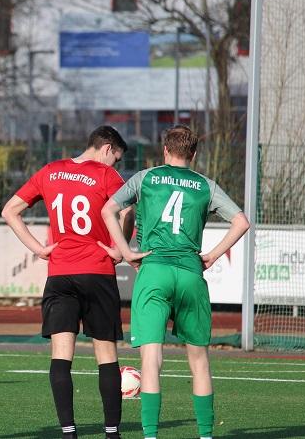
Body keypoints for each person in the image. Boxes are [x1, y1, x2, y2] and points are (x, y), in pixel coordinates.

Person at [100, 125, 250, 439]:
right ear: (193, 153)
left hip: (154, 270)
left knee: (151, 358)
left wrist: (126, 252)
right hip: (190, 273)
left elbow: (108, 210)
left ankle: (151, 436)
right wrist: (212, 255)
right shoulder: (206, 185)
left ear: (165, 150)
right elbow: (241, 222)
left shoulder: (145, 178)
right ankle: (205, 435)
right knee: (199, 360)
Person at [2, 125, 133, 439]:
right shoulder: (106, 175)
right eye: (116, 158)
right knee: (106, 356)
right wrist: (120, 249)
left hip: (60, 274)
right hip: (97, 272)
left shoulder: (50, 171)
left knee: (61, 357)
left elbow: (10, 211)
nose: (115, 164)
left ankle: (69, 433)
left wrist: (39, 249)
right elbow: (128, 211)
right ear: (107, 148)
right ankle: (112, 434)